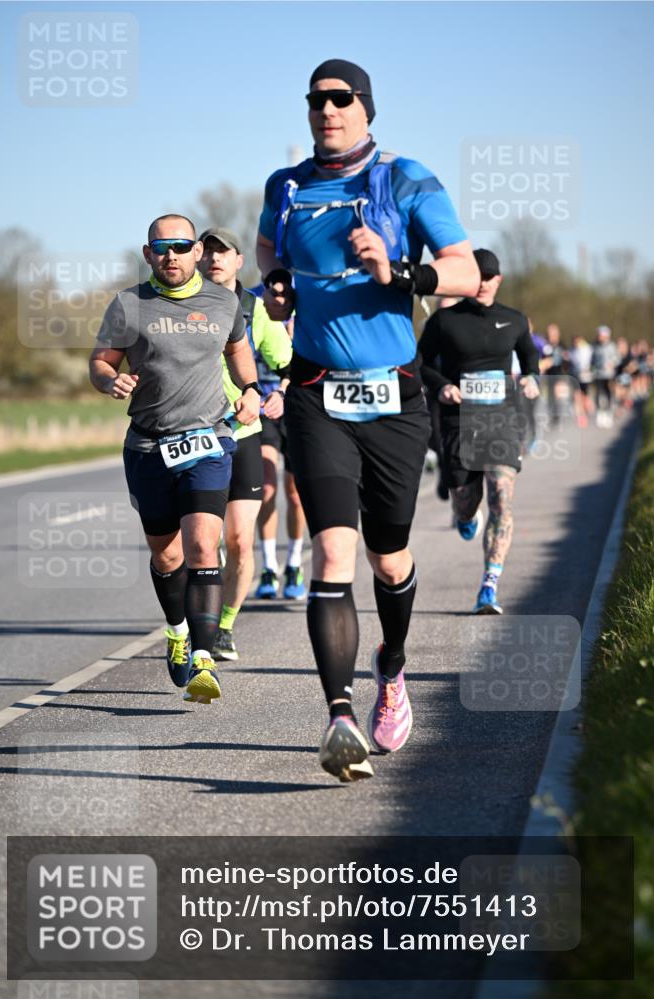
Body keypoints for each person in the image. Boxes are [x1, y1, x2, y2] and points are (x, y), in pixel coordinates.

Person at [256, 58, 479, 782]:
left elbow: (465, 270)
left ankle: (392, 667)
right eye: (315, 100)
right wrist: (278, 288)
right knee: (332, 553)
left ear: (365, 107)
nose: (326, 110)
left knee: (389, 558)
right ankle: (339, 718)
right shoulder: (284, 187)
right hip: (315, 394)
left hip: (394, 399)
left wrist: (398, 273)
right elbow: (270, 253)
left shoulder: (405, 178)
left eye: (340, 98)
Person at [89, 214, 260, 702]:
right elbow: (101, 361)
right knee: (167, 555)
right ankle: (177, 630)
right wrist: (108, 379)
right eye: (161, 248)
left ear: (196, 252)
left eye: (181, 246)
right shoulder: (128, 305)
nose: (172, 255)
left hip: (208, 440)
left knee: (205, 545)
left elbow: (238, 350)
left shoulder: (225, 302)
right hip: (147, 445)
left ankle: (204, 659)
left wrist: (250, 388)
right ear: (148, 254)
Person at [418, 249, 540, 615]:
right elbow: (420, 363)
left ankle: (490, 584)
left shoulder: (514, 320)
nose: (485, 282)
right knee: (466, 503)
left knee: (501, 498)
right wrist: (441, 386)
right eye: (479, 276)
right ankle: (466, 514)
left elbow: (530, 358)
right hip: (459, 421)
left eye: (491, 277)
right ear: (469, 280)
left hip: (501, 421)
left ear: (499, 280)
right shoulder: (444, 321)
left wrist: (533, 377)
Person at [198, 226, 293, 659]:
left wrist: (278, 393)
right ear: (198, 258)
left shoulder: (255, 308)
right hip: (194, 438)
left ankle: (225, 627)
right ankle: (191, 623)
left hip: (243, 436)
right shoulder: (181, 306)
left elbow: (288, 361)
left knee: (238, 540)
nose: (215, 259)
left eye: (225, 252)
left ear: (240, 261)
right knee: (203, 542)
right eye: (209, 252)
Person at [255, 313, 309, 601]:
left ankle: (294, 564)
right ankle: (268, 568)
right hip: (264, 410)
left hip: (298, 409)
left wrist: (294, 338)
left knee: (295, 495)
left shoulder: (307, 297)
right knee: (266, 488)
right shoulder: (251, 300)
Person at [591, 325, 620, 427]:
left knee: (608, 394)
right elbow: (592, 359)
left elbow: (617, 359)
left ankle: (608, 413)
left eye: (601, 335)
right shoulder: (595, 346)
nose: (599, 337)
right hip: (598, 374)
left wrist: (611, 363)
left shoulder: (612, 346)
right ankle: (599, 414)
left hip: (608, 375)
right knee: (598, 393)